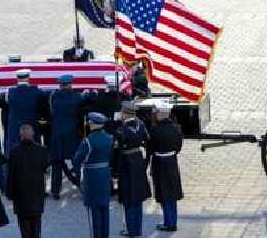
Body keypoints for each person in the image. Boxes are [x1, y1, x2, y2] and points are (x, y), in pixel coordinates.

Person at [49, 74, 91, 200]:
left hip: (57, 134)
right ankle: (81, 187)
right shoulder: (77, 97)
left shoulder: (53, 97)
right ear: (70, 84)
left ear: (60, 85)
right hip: (72, 135)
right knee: (76, 161)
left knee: (56, 163)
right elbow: (87, 97)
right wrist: (89, 92)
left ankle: (55, 191)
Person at [73, 112, 114, 238]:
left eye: (90, 122)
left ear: (93, 124)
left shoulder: (88, 141)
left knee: (94, 209)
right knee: (104, 207)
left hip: (92, 176)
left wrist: (77, 174)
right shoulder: (109, 138)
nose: (88, 123)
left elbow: (77, 159)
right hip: (105, 174)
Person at [6, 124, 49, 238]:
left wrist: (9, 194)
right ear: (33, 134)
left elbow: (10, 175)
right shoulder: (41, 150)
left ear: (20, 135)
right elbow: (45, 168)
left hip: (21, 199)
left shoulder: (14, 152)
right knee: (36, 229)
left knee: (24, 230)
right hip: (36, 196)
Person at [116, 100, 152, 237]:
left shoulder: (122, 130)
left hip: (127, 166)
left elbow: (117, 151)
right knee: (138, 198)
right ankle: (137, 229)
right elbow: (147, 143)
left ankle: (131, 230)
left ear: (125, 113)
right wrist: (146, 162)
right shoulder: (141, 125)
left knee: (128, 199)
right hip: (139, 162)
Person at [149, 103, 184, 232]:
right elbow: (178, 147)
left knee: (164, 194)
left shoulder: (154, 130)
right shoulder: (176, 128)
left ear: (159, 114)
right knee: (172, 194)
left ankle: (168, 222)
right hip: (172, 162)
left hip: (159, 163)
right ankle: (172, 222)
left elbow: (151, 148)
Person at [5, 69, 49, 155]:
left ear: (17, 79)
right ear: (28, 78)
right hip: (31, 125)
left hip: (15, 127)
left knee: (15, 152)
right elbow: (45, 97)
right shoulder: (36, 91)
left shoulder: (9, 92)